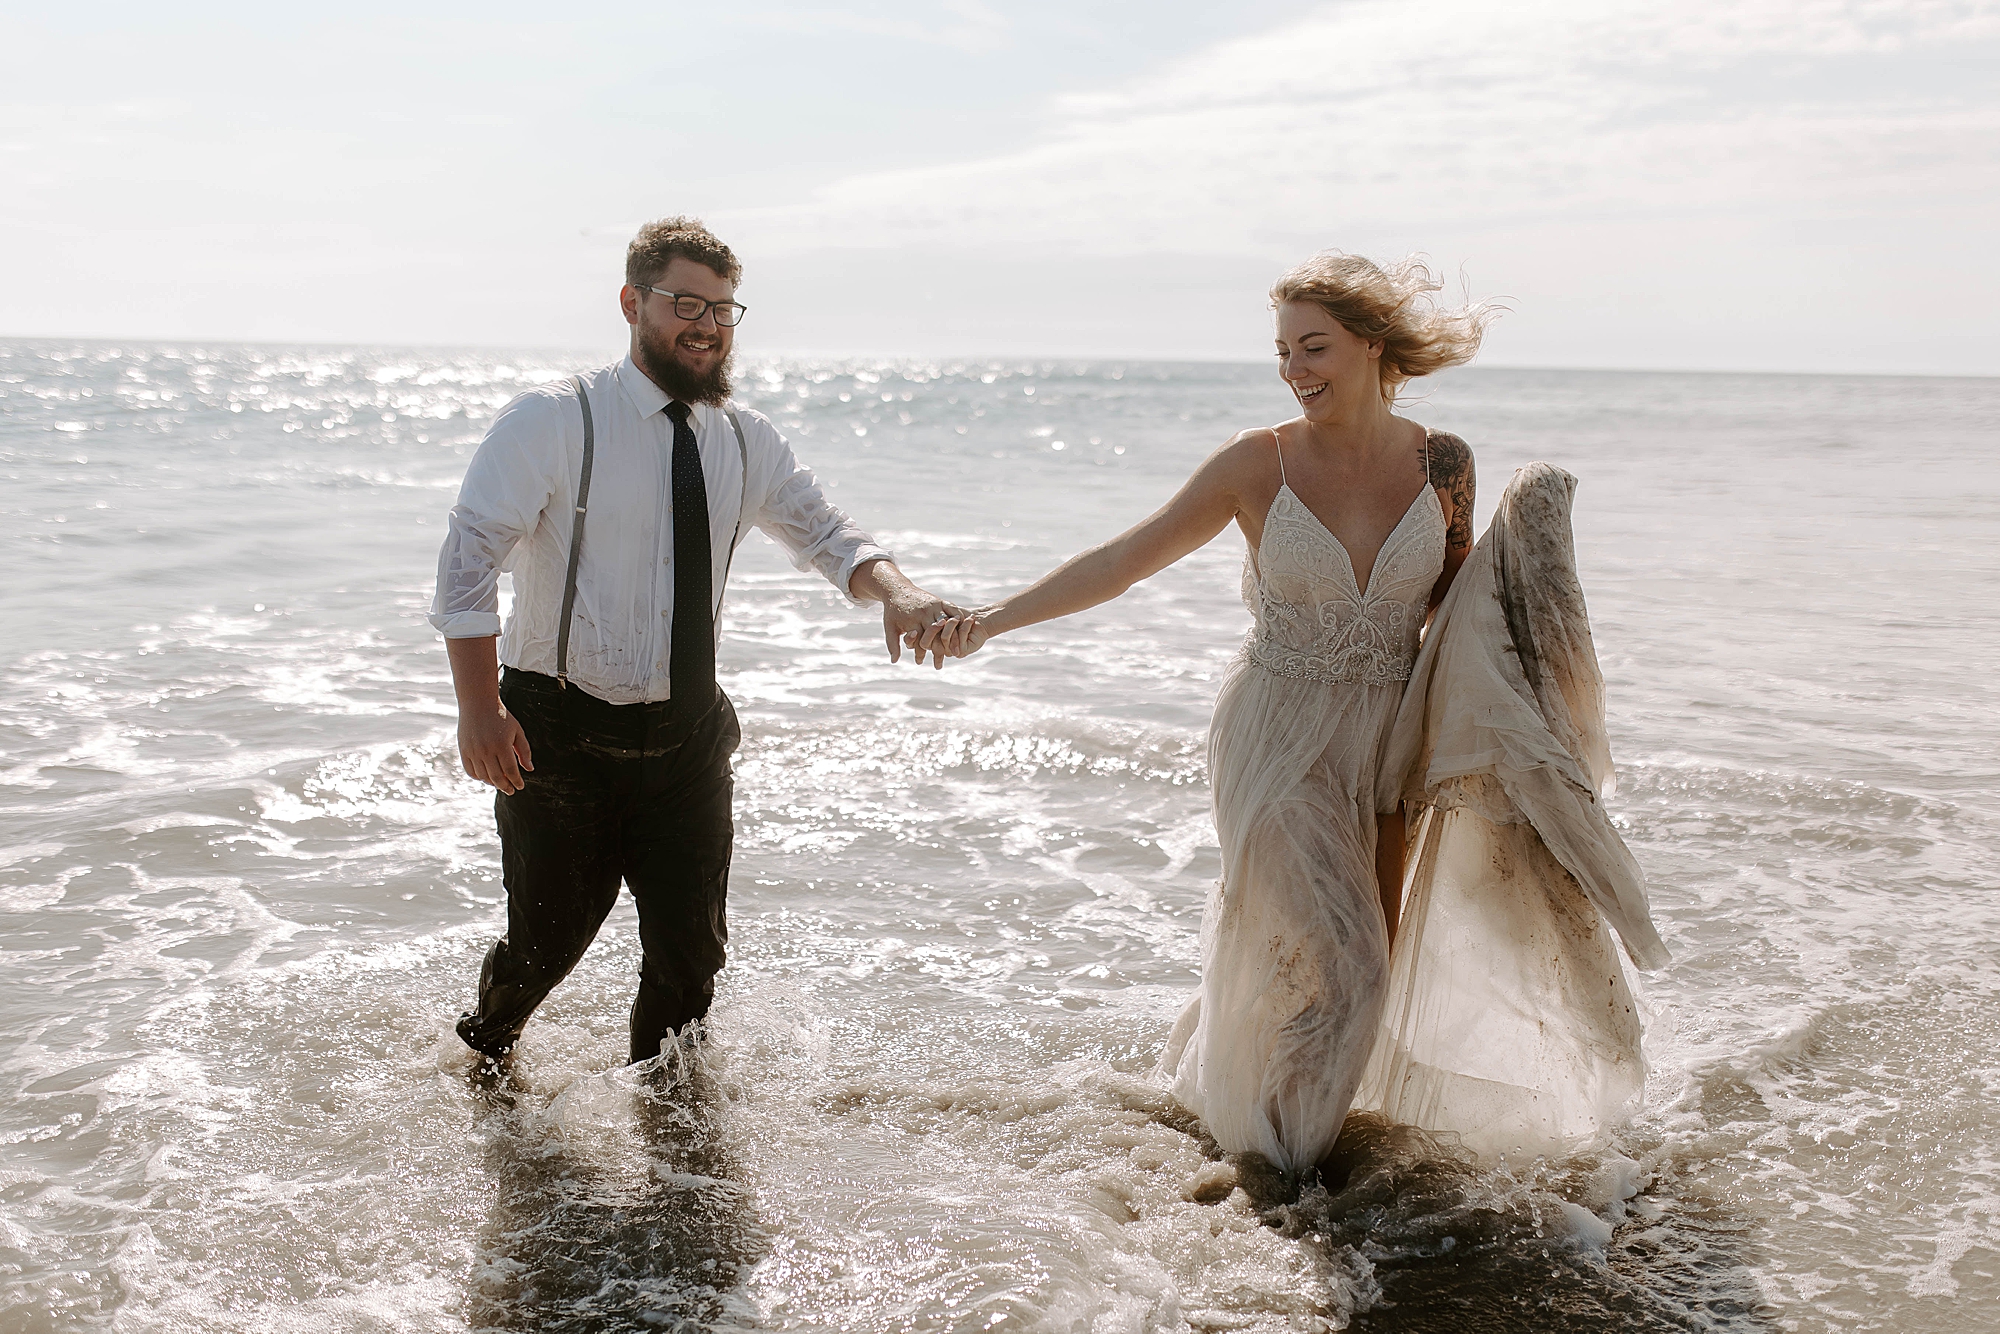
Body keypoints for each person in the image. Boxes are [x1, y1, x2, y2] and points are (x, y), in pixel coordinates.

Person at [921, 253, 1486, 1175]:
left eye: (1314, 347)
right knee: (1352, 966)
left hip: (1389, 751)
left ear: (1372, 345)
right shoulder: (1254, 464)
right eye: (1283, 351)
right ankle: (1279, 1180)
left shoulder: (1443, 464)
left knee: (1351, 964)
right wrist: (991, 620)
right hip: (1278, 738)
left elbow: (1459, 616)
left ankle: (1226, 1114)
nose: (1294, 370)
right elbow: (1124, 561)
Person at [430, 216, 962, 1068]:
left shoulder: (745, 437)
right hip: (558, 733)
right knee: (547, 943)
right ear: (632, 303)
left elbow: (827, 533)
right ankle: (488, 1046)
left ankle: (671, 1128)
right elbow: (467, 565)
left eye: (721, 309)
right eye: (685, 304)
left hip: (687, 737)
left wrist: (900, 593)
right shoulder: (554, 420)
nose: (707, 325)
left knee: (691, 959)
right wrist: (479, 710)